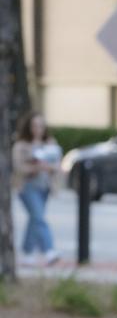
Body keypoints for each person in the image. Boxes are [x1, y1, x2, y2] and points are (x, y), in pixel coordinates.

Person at [12, 112, 61, 266]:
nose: (38, 129)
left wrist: (48, 167)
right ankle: (49, 250)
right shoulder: (21, 145)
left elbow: (57, 165)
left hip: (44, 187)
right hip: (27, 187)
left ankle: (27, 253)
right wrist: (34, 167)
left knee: (35, 219)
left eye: (41, 125)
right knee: (38, 217)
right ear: (29, 127)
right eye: (34, 125)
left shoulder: (51, 143)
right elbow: (18, 167)